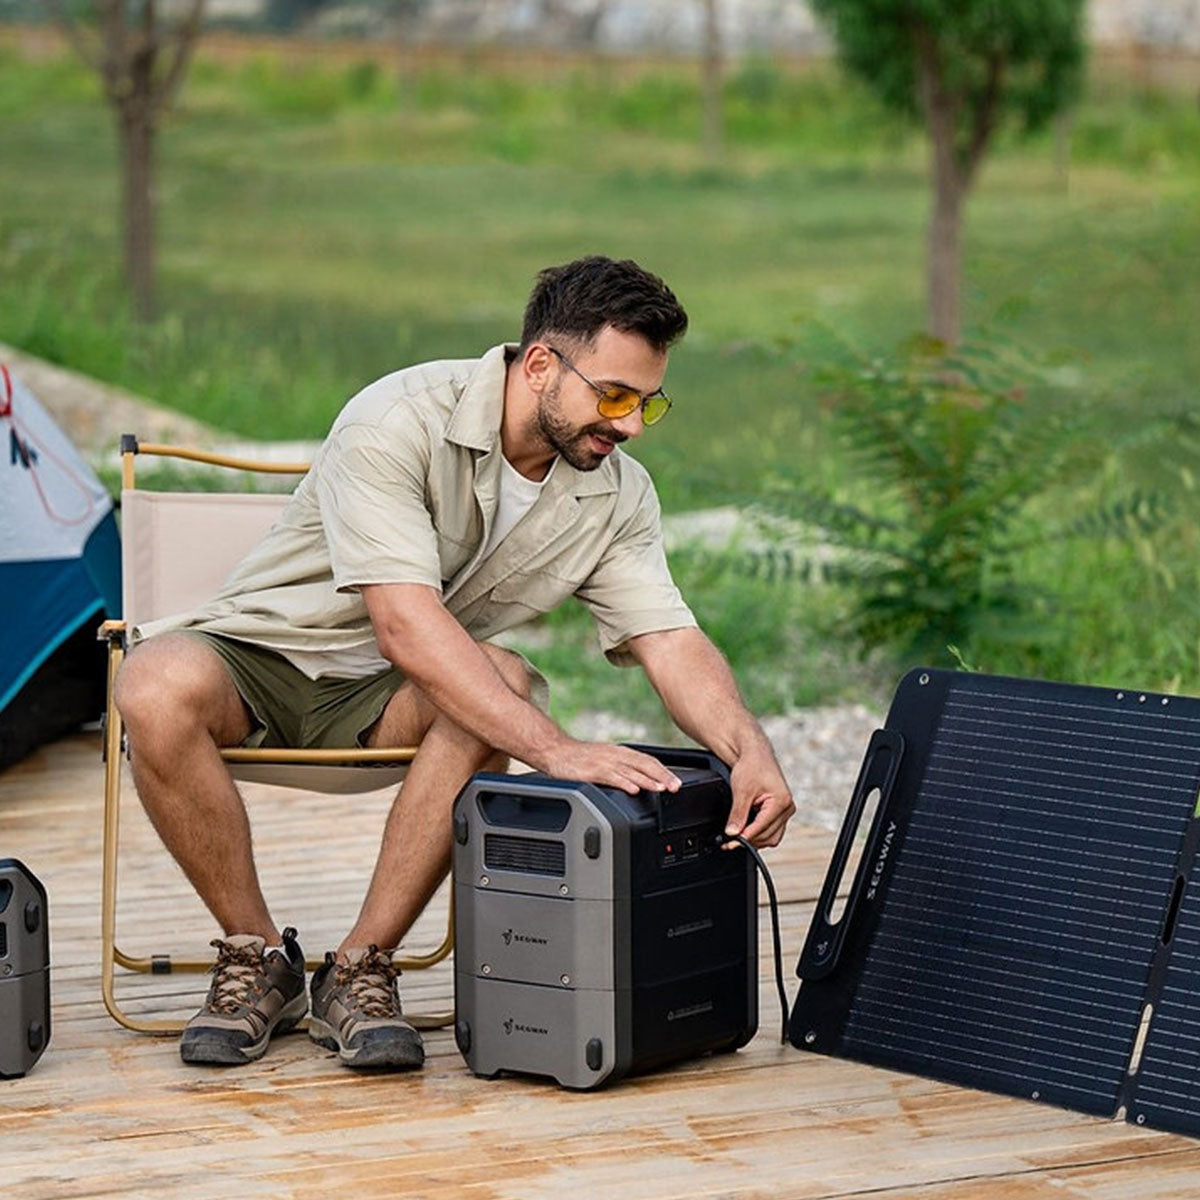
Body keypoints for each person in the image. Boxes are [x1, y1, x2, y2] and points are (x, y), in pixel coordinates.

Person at [115, 255, 795, 1071]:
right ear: (540, 362)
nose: (633, 425)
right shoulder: (396, 418)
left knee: (496, 682)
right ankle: (257, 957)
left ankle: (360, 969)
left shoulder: (617, 493)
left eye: (650, 403)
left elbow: (669, 638)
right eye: (614, 396)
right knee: (150, 680)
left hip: (389, 696)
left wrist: (746, 748)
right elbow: (404, 623)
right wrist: (557, 751)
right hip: (263, 656)